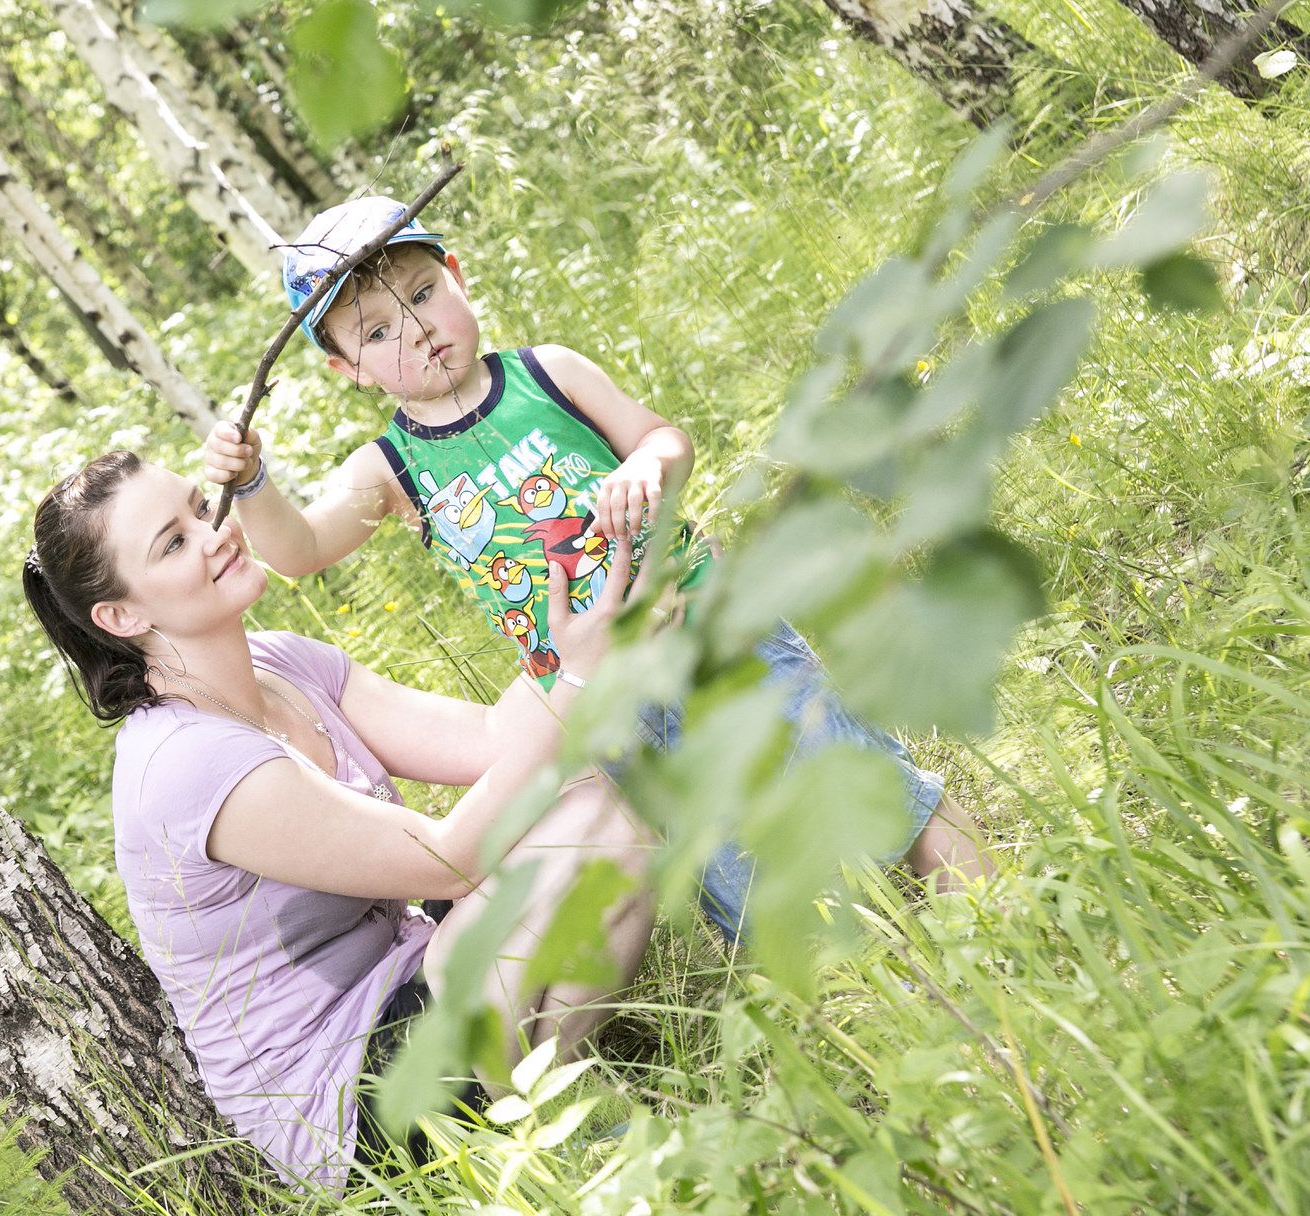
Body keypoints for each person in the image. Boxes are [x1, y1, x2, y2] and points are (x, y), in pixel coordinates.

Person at [202, 196, 992, 935]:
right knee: (744, 869)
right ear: (349, 369)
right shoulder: (391, 469)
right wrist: (253, 482)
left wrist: (645, 466)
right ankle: (867, 982)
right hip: (614, 704)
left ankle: (1004, 912)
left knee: (860, 771)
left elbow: (663, 438)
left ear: (458, 276)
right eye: (377, 333)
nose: (415, 331)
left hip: (711, 624)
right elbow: (299, 548)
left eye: (423, 292)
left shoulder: (547, 373)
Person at [22, 449, 658, 1190]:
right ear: (122, 615)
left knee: (584, 792)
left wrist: (589, 618)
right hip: (352, 1103)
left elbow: (492, 741)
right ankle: (555, 1141)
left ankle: (553, 1120)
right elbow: (448, 861)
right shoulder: (184, 762)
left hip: (413, 976)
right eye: (173, 542)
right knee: (598, 825)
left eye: (200, 507)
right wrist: (577, 678)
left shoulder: (281, 663)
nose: (215, 534)